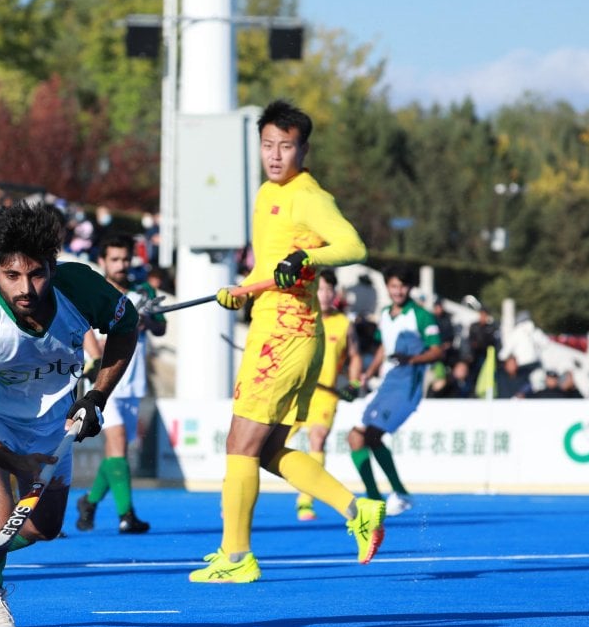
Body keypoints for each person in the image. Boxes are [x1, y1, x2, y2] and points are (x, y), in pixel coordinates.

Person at [189, 99, 385, 584]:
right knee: (269, 449)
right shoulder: (264, 194)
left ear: (304, 149)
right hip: (271, 324)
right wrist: (243, 290)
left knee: (240, 443)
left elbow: (354, 245)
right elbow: (266, 268)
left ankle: (236, 557)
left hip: (289, 332)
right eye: (268, 145)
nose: (275, 155)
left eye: (286, 146)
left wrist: (307, 258)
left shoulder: (308, 195)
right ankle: (359, 511)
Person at [0, 202, 139, 627]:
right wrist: (13, 460)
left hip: (52, 426)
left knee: (45, 529)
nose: (26, 288)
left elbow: (127, 327)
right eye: (12, 276)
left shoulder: (79, 287)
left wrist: (97, 395)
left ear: (54, 264)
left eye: (37, 273)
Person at [75, 234, 164, 534]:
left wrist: (147, 319)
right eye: (114, 259)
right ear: (102, 261)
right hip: (105, 379)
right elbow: (83, 327)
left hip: (133, 381)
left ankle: (89, 501)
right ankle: (127, 515)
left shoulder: (143, 291)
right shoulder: (93, 292)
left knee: (119, 451)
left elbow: (161, 326)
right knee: (117, 443)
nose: (121, 265)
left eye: (125, 259)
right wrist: (96, 360)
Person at [347, 265, 443, 518]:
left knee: (372, 435)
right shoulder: (386, 314)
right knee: (356, 439)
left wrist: (410, 360)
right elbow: (383, 348)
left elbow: (437, 350)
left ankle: (399, 493)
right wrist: (370, 371)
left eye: (402, 286)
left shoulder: (421, 316)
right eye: (393, 286)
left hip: (407, 386)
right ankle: (376, 499)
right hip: (387, 384)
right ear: (388, 288)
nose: (398, 291)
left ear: (409, 288)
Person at [285, 269, 362, 522]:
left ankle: (305, 501)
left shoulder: (344, 324)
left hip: (325, 396)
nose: (325, 295)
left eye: (330, 290)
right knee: (264, 443)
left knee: (317, 439)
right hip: (295, 392)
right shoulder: (302, 316)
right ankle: (233, 495)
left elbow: (354, 356)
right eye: (321, 289)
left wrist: (353, 381)